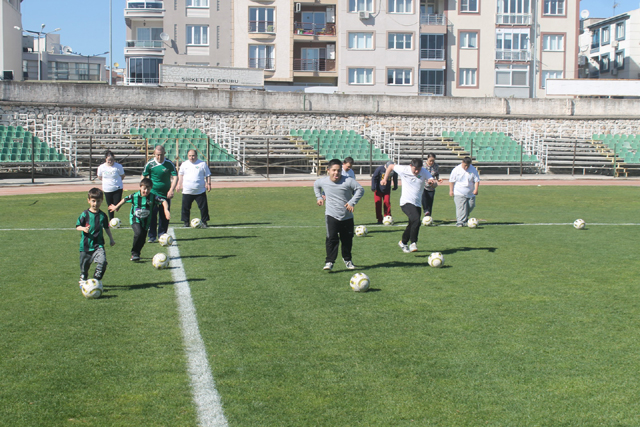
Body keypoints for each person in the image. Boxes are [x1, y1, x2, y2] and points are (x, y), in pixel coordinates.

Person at [313, 158, 364, 271]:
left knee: (347, 240)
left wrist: (352, 202)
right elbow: (316, 184)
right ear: (328, 170)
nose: (336, 173)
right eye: (334, 170)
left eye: (339, 170)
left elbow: (360, 189)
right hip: (331, 215)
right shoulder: (323, 181)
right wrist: (319, 197)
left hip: (347, 216)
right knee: (331, 239)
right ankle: (329, 262)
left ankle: (347, 260)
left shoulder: (348, 181)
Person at [109, 178, 171, 262]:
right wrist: (116, 206)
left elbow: (164, 201)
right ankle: (134, 253)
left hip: (146, 221)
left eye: (148, 189)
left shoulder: (153, 197)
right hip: (135, 219)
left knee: (142, 238)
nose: (146, 191)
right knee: (138, 233)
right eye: (144, 189)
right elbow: (125, 199)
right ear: (140, 187)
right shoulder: (135, 196)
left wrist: (166, 210)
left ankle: (137, 253)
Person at [381, 159, 436, 253]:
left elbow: (434, 183)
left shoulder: (424, 172)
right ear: (411, 166)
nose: (417, 171)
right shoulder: (404, 169)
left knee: (412, 224)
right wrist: (385, 179)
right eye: (415, 169)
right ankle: (413, 243)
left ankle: (403, 242)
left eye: (419, 169)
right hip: (405, 202)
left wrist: (432, 183)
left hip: (417, 203)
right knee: (416, 220)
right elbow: (390, 166)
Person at [76, 188, 115, 287]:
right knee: (85, 267)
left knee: (103, 262)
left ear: (102, 201)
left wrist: (111, 239)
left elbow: (106, 228)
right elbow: (77, 226)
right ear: (88, 200)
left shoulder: (103, 216)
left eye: (98, 201)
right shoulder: (85, 214)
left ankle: (95, 280)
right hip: (86, 246)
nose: (95, 204)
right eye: (93, 201)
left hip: (99, 245)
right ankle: (83, 277)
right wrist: (83, 228)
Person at [142, 145, 177, 243]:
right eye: (157, 155)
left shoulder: (169, 164)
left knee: (164, 216)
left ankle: (162, 235)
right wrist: (144, 189)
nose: (159, 157)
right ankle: (152, 236)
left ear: (164, 154)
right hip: (153, 194)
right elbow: (144, 176)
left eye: (161, 155)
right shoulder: (150, 164)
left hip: (165, 195)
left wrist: (171, 190)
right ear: (154, 154)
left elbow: (175, 177)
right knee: (152, 215)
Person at [178, 149, 212, 228]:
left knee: (203, 208)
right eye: (190, 156)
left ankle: (204, 222)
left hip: (200, 191)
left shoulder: (202, 164)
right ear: (187, 156)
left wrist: (209, 183)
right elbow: (180, 174)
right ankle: (186, 222)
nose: (191, 157)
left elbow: (208, 175)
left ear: (196, 156)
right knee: (185, 208)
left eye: (193, 156)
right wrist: (179, 184)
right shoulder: (184, 164)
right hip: (187, 190)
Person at [449, 157, 480, 227]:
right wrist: (451, 190)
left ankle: (464, 218)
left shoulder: (473, 169)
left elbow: (476, 180)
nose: (466, 167)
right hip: (459, 192)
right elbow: (451, 181)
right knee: (461, 207)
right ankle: (460, 222)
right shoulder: (456, 170)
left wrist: (476, 189)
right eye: (465, 165)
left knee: (471, 205)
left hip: (470, 193)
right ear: (462, 162)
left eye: (467, 166)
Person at [97, 150, 125, 221]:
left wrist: (116, 182)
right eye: (109, 160)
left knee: (116, 205)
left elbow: (122, 175)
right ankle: (111, 220)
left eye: (112, 160)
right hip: (107, 189)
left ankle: (117, 207)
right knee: (110, 206)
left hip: (117, 188)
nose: (110, 161)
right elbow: (99, 176)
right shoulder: (101, 167)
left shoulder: (118, 166)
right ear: (105, 159)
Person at [422, 153, 443, 218]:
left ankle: (428, 217)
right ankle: (426, 211)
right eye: (430, 160)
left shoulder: (436, 166)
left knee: (430, 202)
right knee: (424, 200)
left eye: (433, 160)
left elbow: (436, 174)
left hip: (431, 187)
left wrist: (438, 179)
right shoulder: (423, 165)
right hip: (423, 185)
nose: (431, 162)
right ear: (427, 159)